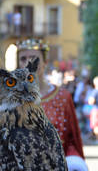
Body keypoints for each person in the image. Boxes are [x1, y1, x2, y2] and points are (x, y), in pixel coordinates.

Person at [16, 39, 88, 171]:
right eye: (23, 58)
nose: (27, 63)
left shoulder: (63, 97)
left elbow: (72, 141)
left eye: (34, 58)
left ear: (45, 63)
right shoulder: (9, 99)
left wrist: (74, 162)